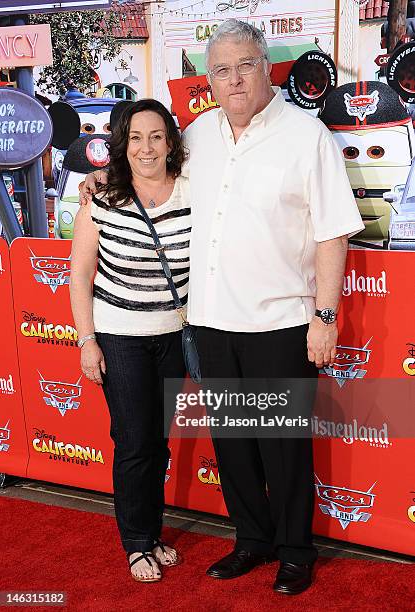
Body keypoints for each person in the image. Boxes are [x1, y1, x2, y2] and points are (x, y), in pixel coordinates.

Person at [80, 20, 364, 595]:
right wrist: (99, 177)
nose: (234, 80)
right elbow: (146, 171)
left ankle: (294, 550)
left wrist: (326, 317)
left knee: (282, 446)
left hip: (282, 321)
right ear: (209, 80)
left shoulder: (306, 136)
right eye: (222, 71)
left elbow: (333, 235)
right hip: (211, 323)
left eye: (246, 66)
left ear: (266, 68)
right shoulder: (200, 135)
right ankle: (252, 540)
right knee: (234, 447)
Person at [70, 99, 190, 583]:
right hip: (119, 338)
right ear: (123, 145)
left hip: (175, 337)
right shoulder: (101, 197)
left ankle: (153, 533)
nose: (146, 147)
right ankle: (137, 543)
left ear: (170, 142)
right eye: (136, 138)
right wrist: (86, 340)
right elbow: (80, 274)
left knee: (157, 443)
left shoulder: (192, 189)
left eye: (156, 136)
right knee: (134, 442)